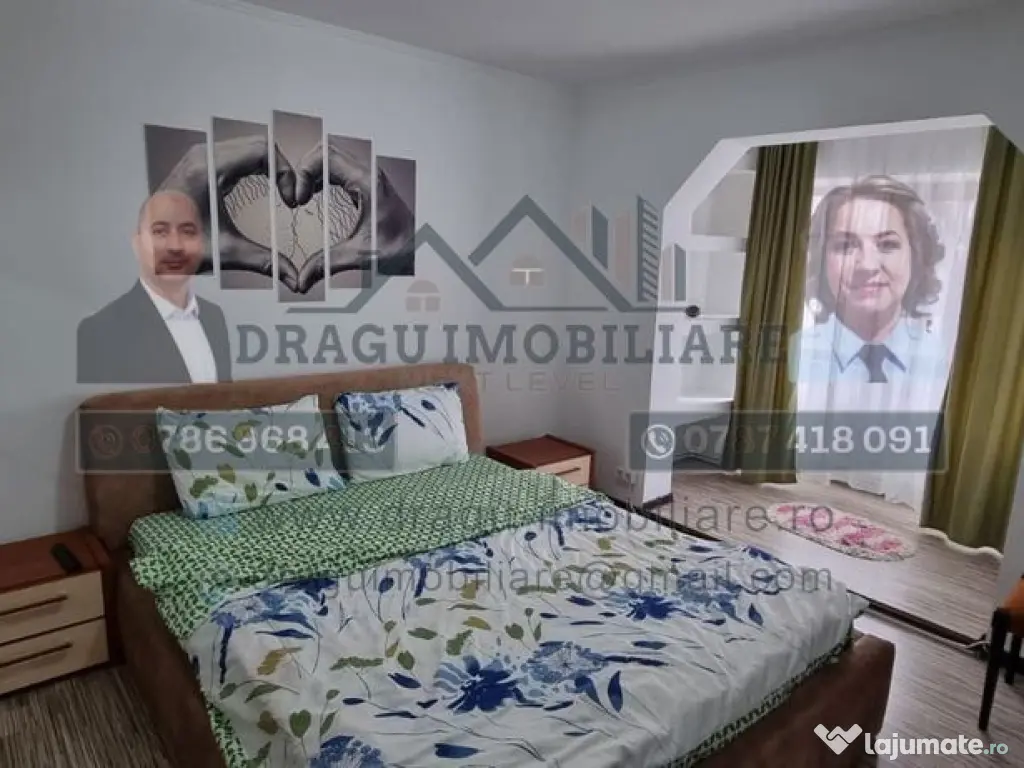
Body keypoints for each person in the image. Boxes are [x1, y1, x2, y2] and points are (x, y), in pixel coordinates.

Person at [791, 175, 947, 389]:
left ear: (916, 255)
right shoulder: (795, 355)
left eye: (887, 245)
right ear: (821, 260)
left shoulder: (943, 359)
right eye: (845, 246)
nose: (867, 265)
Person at [76, 190, 232, 384]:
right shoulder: (100, 331)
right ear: (137, 244)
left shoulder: (214, 317)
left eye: (187, 232)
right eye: (160, 232)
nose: (175, 246)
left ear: (201, 244)